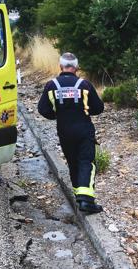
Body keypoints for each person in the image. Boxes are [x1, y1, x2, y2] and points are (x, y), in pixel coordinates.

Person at [37, 52, 105, 213]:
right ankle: (86, 200)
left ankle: (79, 196)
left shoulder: (51, 85)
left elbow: (42, 109)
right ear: (76, 68)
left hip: (64, 131)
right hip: (84, 130)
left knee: (73, 162)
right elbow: (98, 108)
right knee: (86, 161)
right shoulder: (85, 85)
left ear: (60, 66)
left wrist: (57, 114)